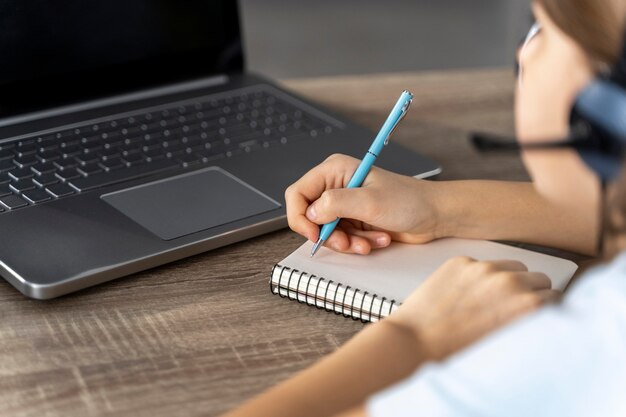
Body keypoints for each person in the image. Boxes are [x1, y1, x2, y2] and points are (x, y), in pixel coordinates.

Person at [224, 0, 626, 415]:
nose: (524, 52)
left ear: (608, 104)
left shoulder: (590, 349)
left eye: (542, 26)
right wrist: (436, 208)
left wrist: (413, 338)